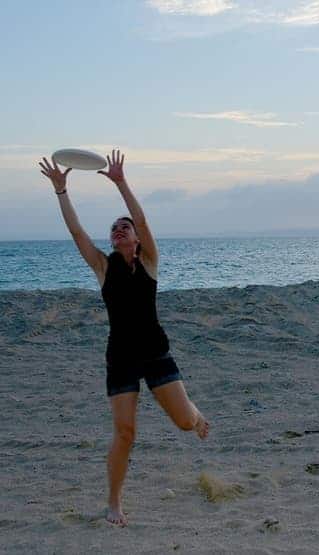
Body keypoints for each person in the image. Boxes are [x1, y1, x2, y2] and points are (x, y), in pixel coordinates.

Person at [39, 150, 209, 527]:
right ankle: (113, 503)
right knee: (125, 432)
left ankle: (196, 415)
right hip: (120, 358)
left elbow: (144, 220)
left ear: (135, 238)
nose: (119, 229)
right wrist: (62, 191)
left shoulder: (149, 263)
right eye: (114, 227)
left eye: (124, 227)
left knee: (183, 423)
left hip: (156, 352)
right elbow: (76, 233)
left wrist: (121, 183)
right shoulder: (103, 267)